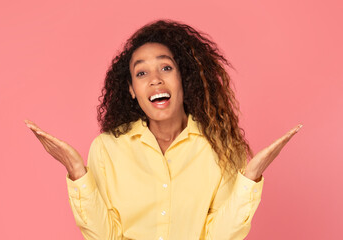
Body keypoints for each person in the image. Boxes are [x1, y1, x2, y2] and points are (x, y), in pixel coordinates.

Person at [25, 19, 302, 240]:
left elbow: (220, 236)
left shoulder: (222, 147)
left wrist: (250, 179)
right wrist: (76, 171)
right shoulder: (108, 147)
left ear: (185, 77)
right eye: (142, 73)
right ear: (132, 90)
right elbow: (104, 236)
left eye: (166, 68)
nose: (155, 80)